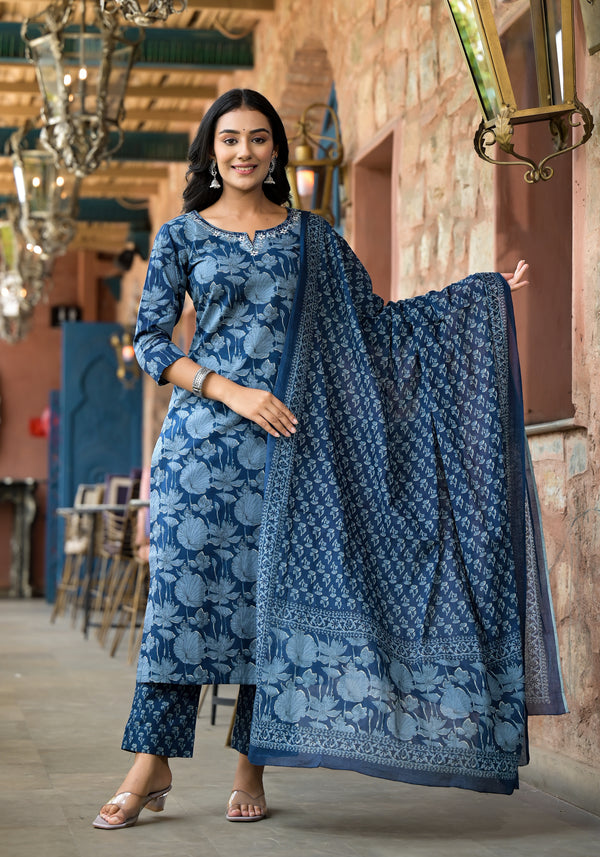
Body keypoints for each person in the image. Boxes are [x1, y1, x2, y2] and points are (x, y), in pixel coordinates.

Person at [94, 88, 564, 830]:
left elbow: (374, 326)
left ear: (275, 151)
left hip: (290, 455)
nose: (243, 151)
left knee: (267, 606)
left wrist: (478, 301)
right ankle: (150, 763)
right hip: (200, 452)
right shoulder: (181, 235)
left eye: (257, 138)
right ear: (210, 151)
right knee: (180, 602)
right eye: (229, 139)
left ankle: (251, 762)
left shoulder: (312, 238)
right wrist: (231, 390)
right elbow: (151, 341)